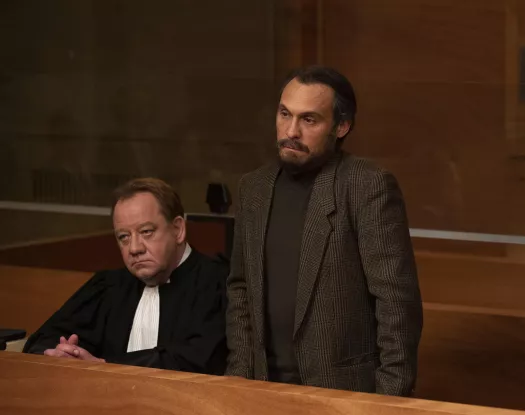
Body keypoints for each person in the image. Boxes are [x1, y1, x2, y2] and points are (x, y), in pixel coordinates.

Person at [225, 65, 423, 396]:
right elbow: (240, 289)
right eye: (285, 114)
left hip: (343, 393)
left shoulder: (367, 185)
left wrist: (389, 402)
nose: (291, 131)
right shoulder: (253, 188)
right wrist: (239, 379)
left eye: (309, 120)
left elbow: (396, 304)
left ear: (341, 126)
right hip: (261, 389)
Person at [23, 178, 229, 375]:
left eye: (146, 231)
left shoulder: (219, 283)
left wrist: (104, 367)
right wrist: (62, 354)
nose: (134, 248)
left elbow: (197, 361)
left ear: (178, 229)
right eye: (124, 237)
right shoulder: (108, 287)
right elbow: (43, 340)